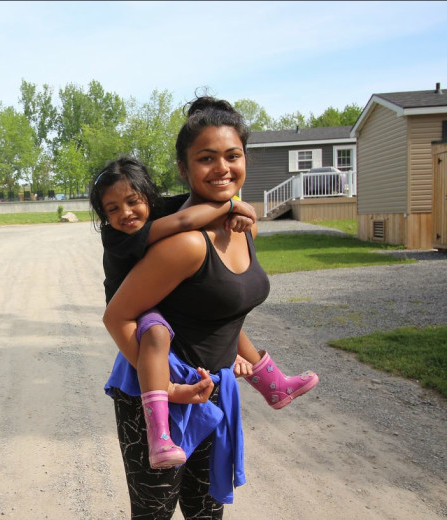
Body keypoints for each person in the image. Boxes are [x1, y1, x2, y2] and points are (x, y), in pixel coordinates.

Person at [102, 96, 314, 519]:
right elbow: (117, 316)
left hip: (215, 386)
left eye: (232, 156)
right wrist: (168, 389)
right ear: (184, 169)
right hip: (161, 391)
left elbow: (220, 309)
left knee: (205, 512)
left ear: (245, 159)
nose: (222, 168)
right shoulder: (185, 242)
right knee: (154, 514)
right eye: (206, 158)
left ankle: (272, 383)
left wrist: (239, 360)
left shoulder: (238, 224)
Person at [90, 157, 319, 470]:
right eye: (112, 209)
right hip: (140, 307)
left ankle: (273, 384)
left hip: (166, 298)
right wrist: (231, 207)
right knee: (156, 334)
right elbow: (185, 222)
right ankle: (160, 431)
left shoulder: (159, 208)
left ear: (149, 199)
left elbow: (195, 206)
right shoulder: (118, 237)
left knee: (218, 317)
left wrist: (238, 203)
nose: (125, 213)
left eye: (132, 202)